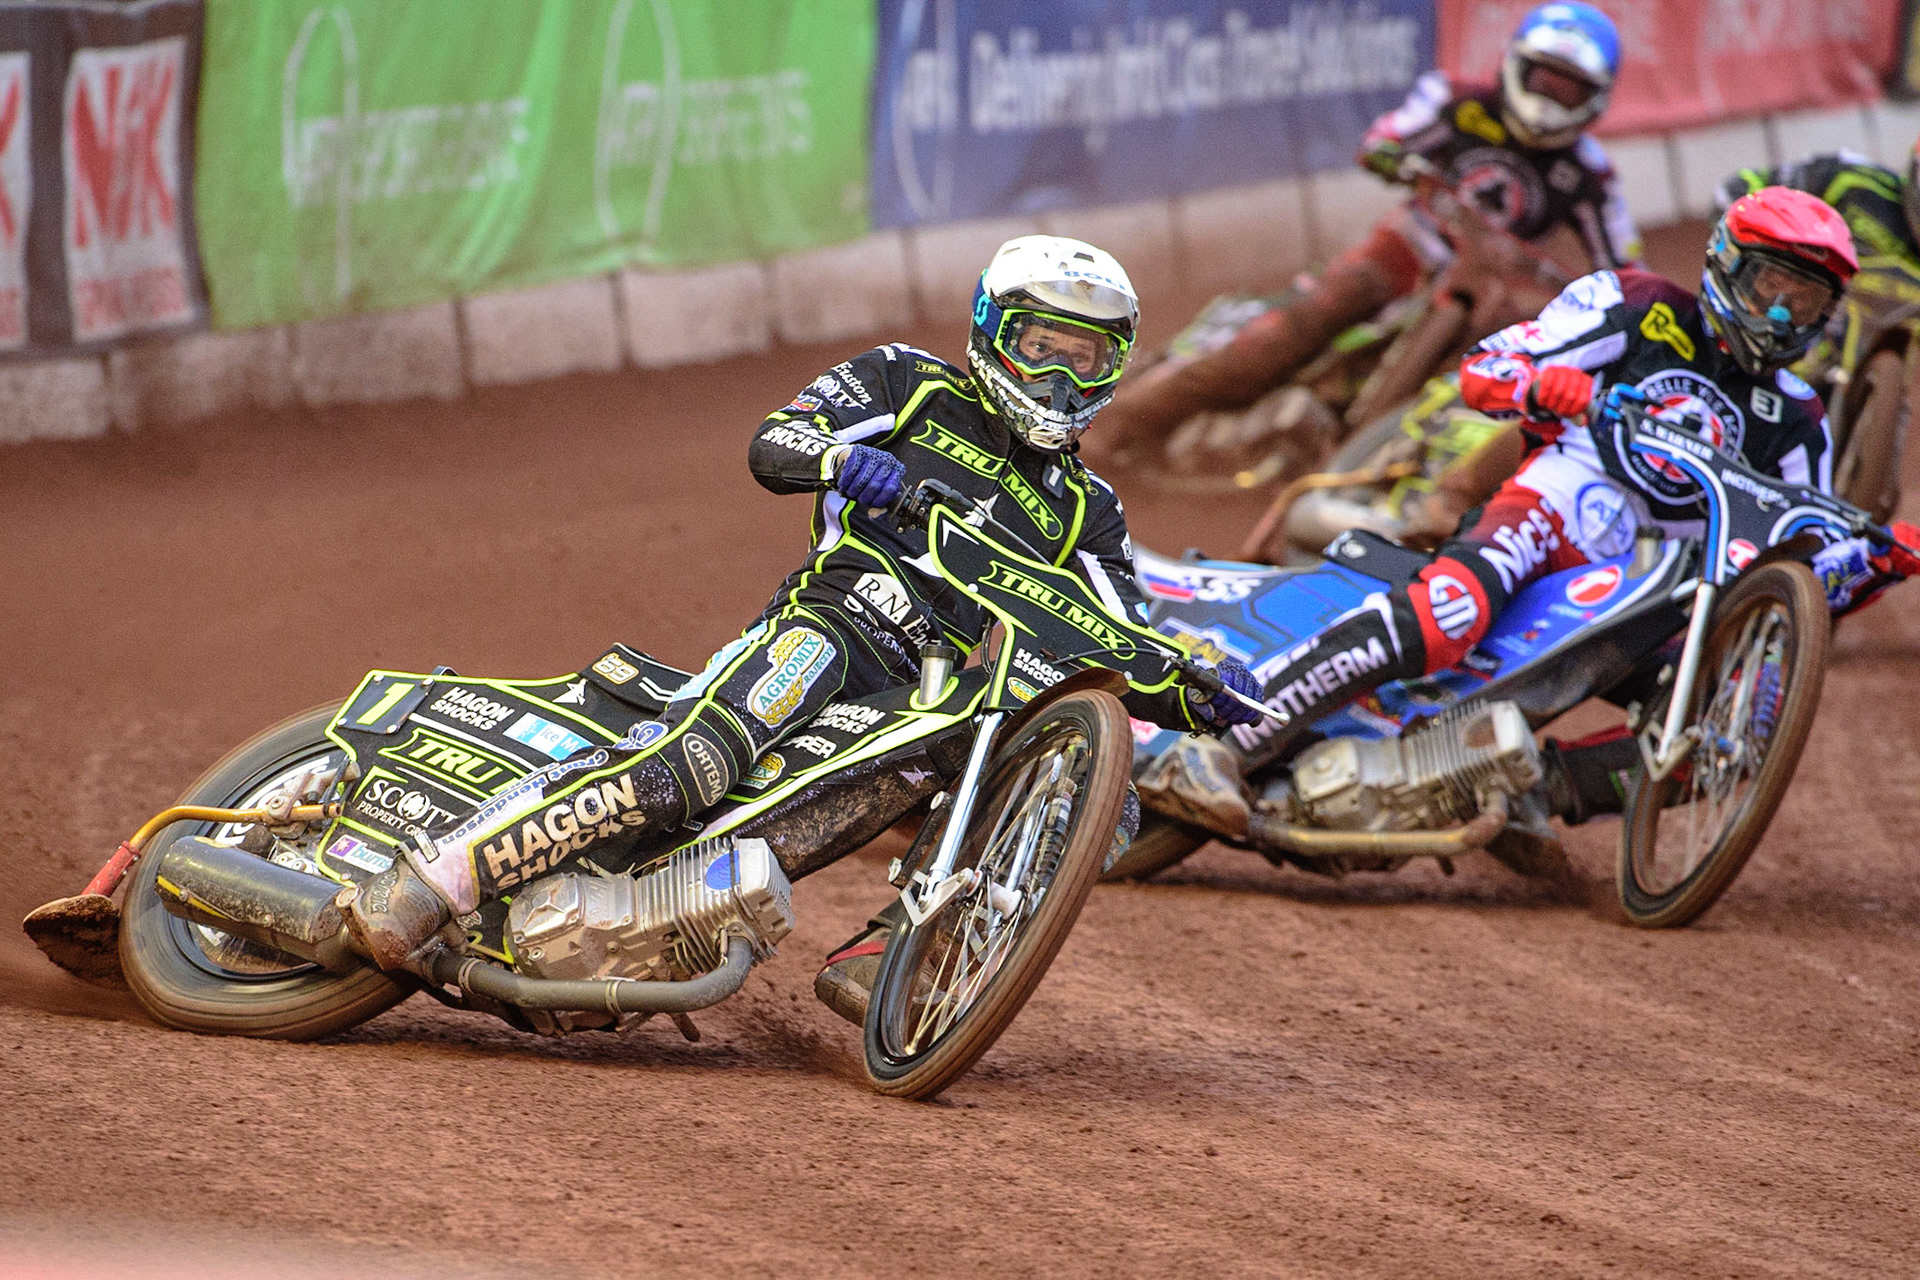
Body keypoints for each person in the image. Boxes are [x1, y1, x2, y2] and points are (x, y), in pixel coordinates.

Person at [334, 235, 1264, 1019]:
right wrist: (846, 464)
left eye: (1090, 357)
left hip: (929, 695)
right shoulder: (910, 383)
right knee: (687, 766)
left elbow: (1122, 634)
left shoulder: (1087, 512)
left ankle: (900, 959)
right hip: (832, 625)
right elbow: (775, 442)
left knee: (1097, 803)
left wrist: (1197, 683)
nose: (1063, 376)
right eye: (1043, 346)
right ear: (991, 334)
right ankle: (435, 880)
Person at [1144, 186, 1920, 836]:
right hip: (1554, 511)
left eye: (1804, 301)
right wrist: (1545, 385)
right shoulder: (1634, 302)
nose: (1781, 317)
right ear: (1725, 265)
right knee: (1445, 615)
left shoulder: (1799, 417)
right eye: (1768, 288)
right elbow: (1490, 367)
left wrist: (1873, 558)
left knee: (1735, 735)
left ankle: (1535, 794)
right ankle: (1220, 739)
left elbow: (1802, 547)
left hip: (1663, 586)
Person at [1089, 1, 1639, 463]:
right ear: (1517, 66)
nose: (1552, 98)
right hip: (1403, 252)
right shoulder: (1455, 101)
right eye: (1545, 79)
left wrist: (1628, 298)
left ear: (1596, 97)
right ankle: (1113, 430)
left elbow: (1625, 265)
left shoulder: (1591, 175)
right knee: (1293, 330)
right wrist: (1394, 157)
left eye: (1570, 90)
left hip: (1483, 289)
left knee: (1492, 371)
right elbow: (1387, 135)